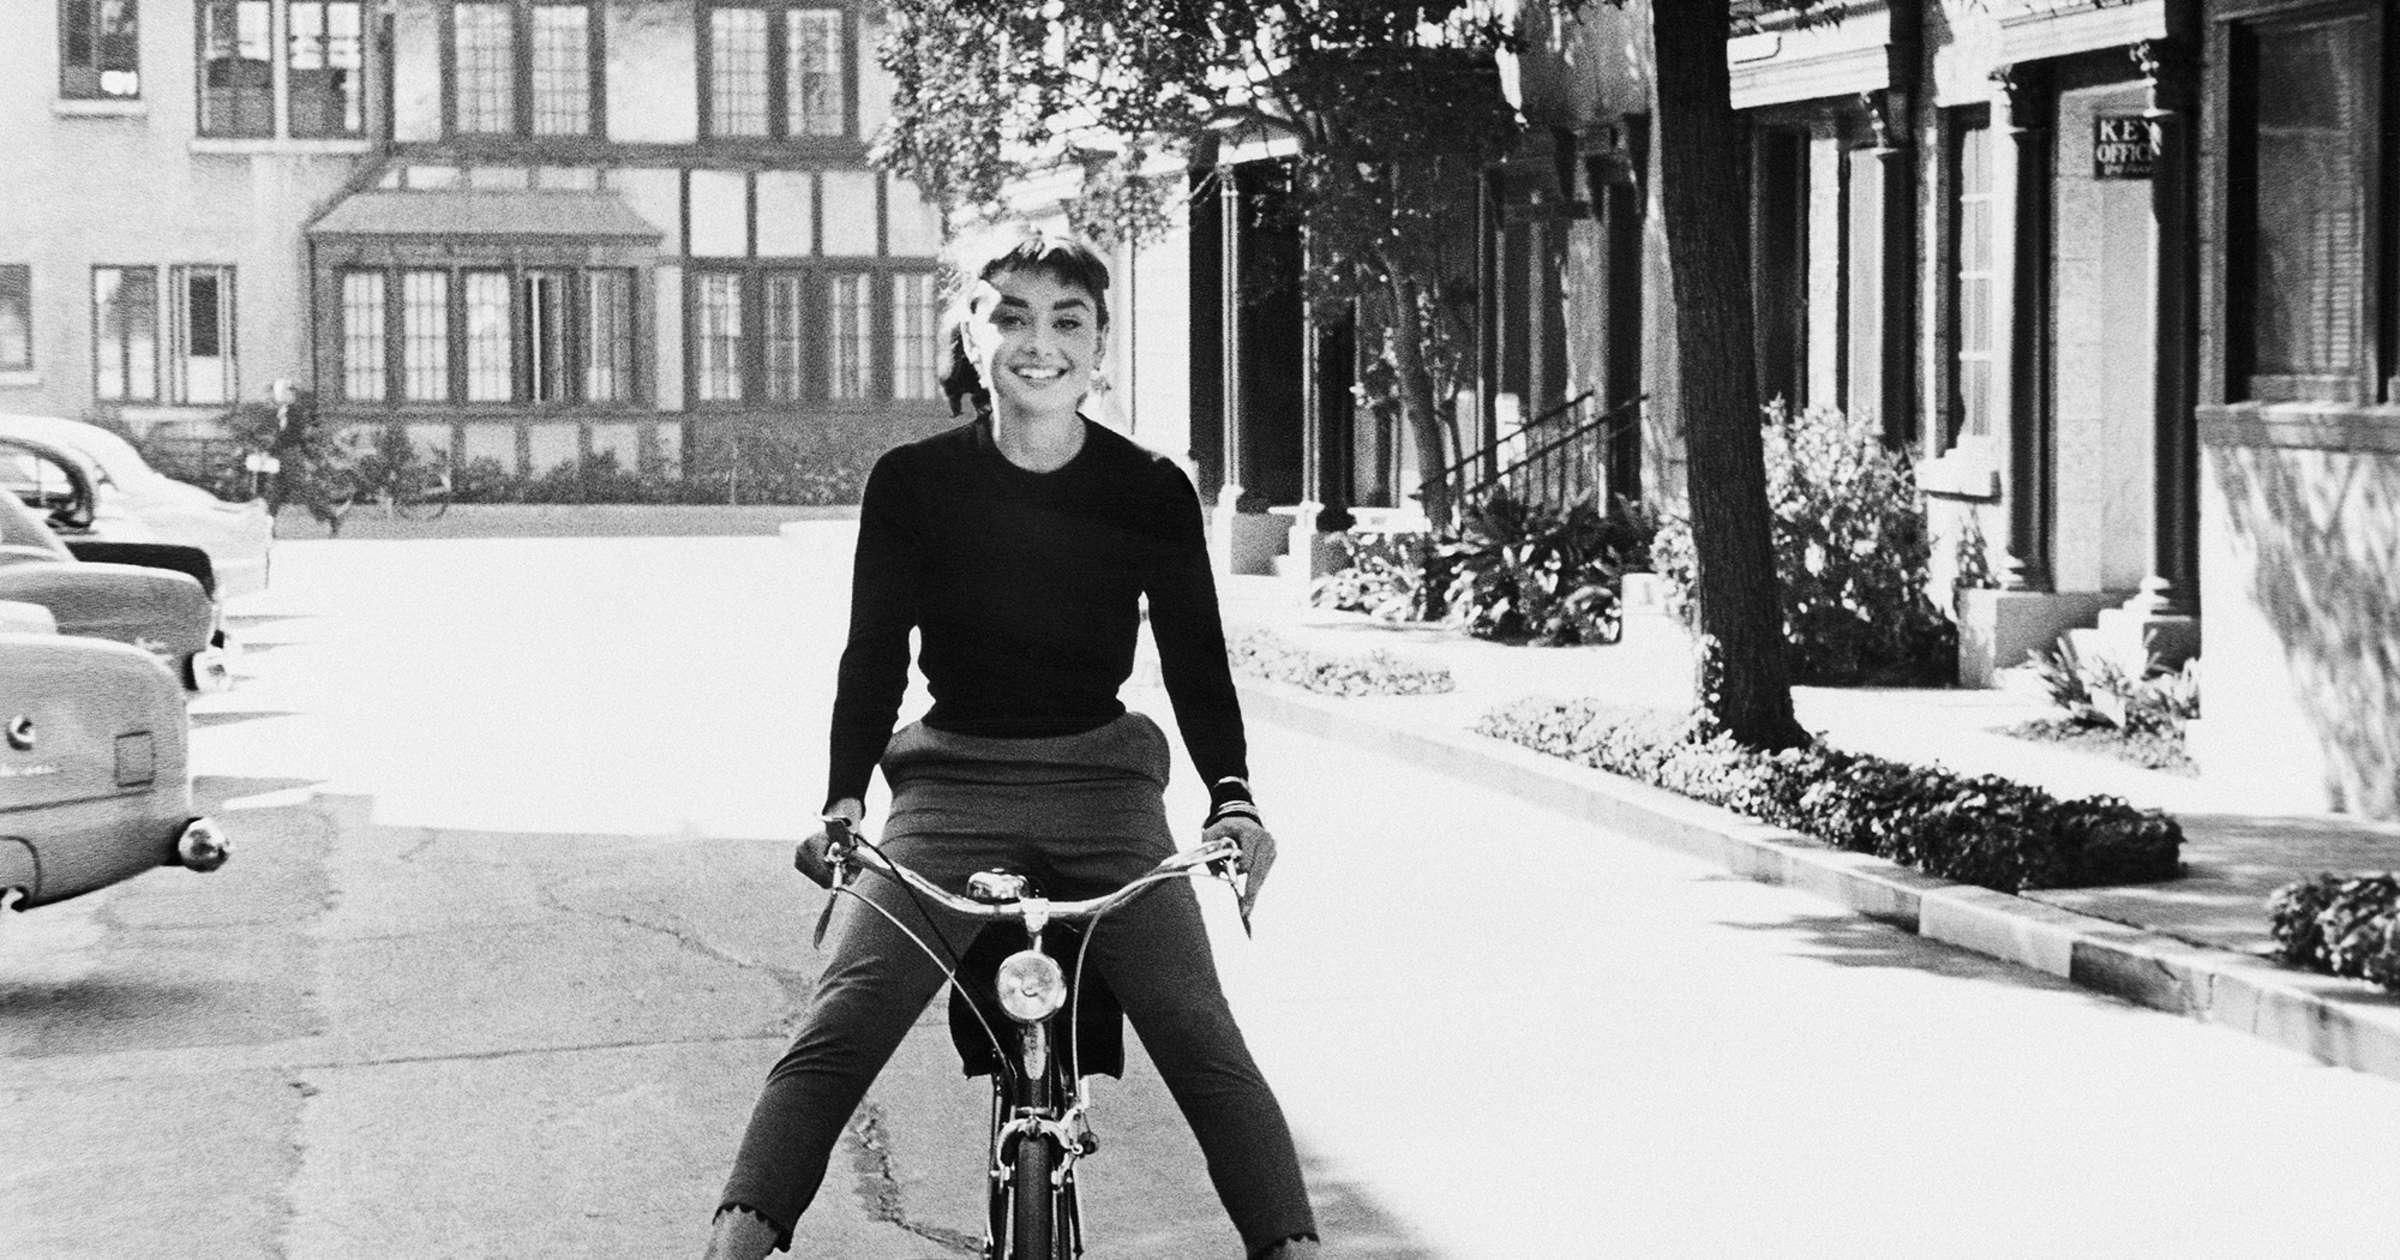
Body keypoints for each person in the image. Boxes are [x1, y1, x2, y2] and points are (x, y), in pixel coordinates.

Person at [707, 228, 1320, 1259]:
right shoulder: (912, 482)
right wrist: (844, 802)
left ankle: (1297, 1251)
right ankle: (735, 1240)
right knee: (842, 1020)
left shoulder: (1149, 490)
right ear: (970, 332)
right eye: (1012, 315)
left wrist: (1233, 796)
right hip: (951, 786)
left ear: (1101, 345)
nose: (1040, 344)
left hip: (1105, 785)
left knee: (1201, 1035)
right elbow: (874, 655)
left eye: (1067, 320)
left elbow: (1197, 665)